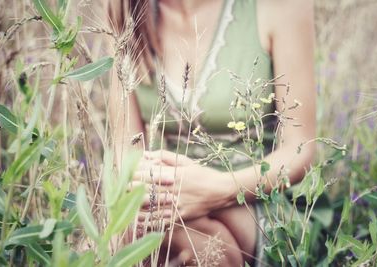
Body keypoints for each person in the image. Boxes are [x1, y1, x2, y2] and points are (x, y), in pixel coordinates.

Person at [108, 0, 316, 266]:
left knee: (196, 243)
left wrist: (219, 189)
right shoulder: (128, 12)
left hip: (257, 194)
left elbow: (301, 149)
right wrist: (155, 196)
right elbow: (125, 155)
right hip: (172, 198)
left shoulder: (279, 7)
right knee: (140, 231)